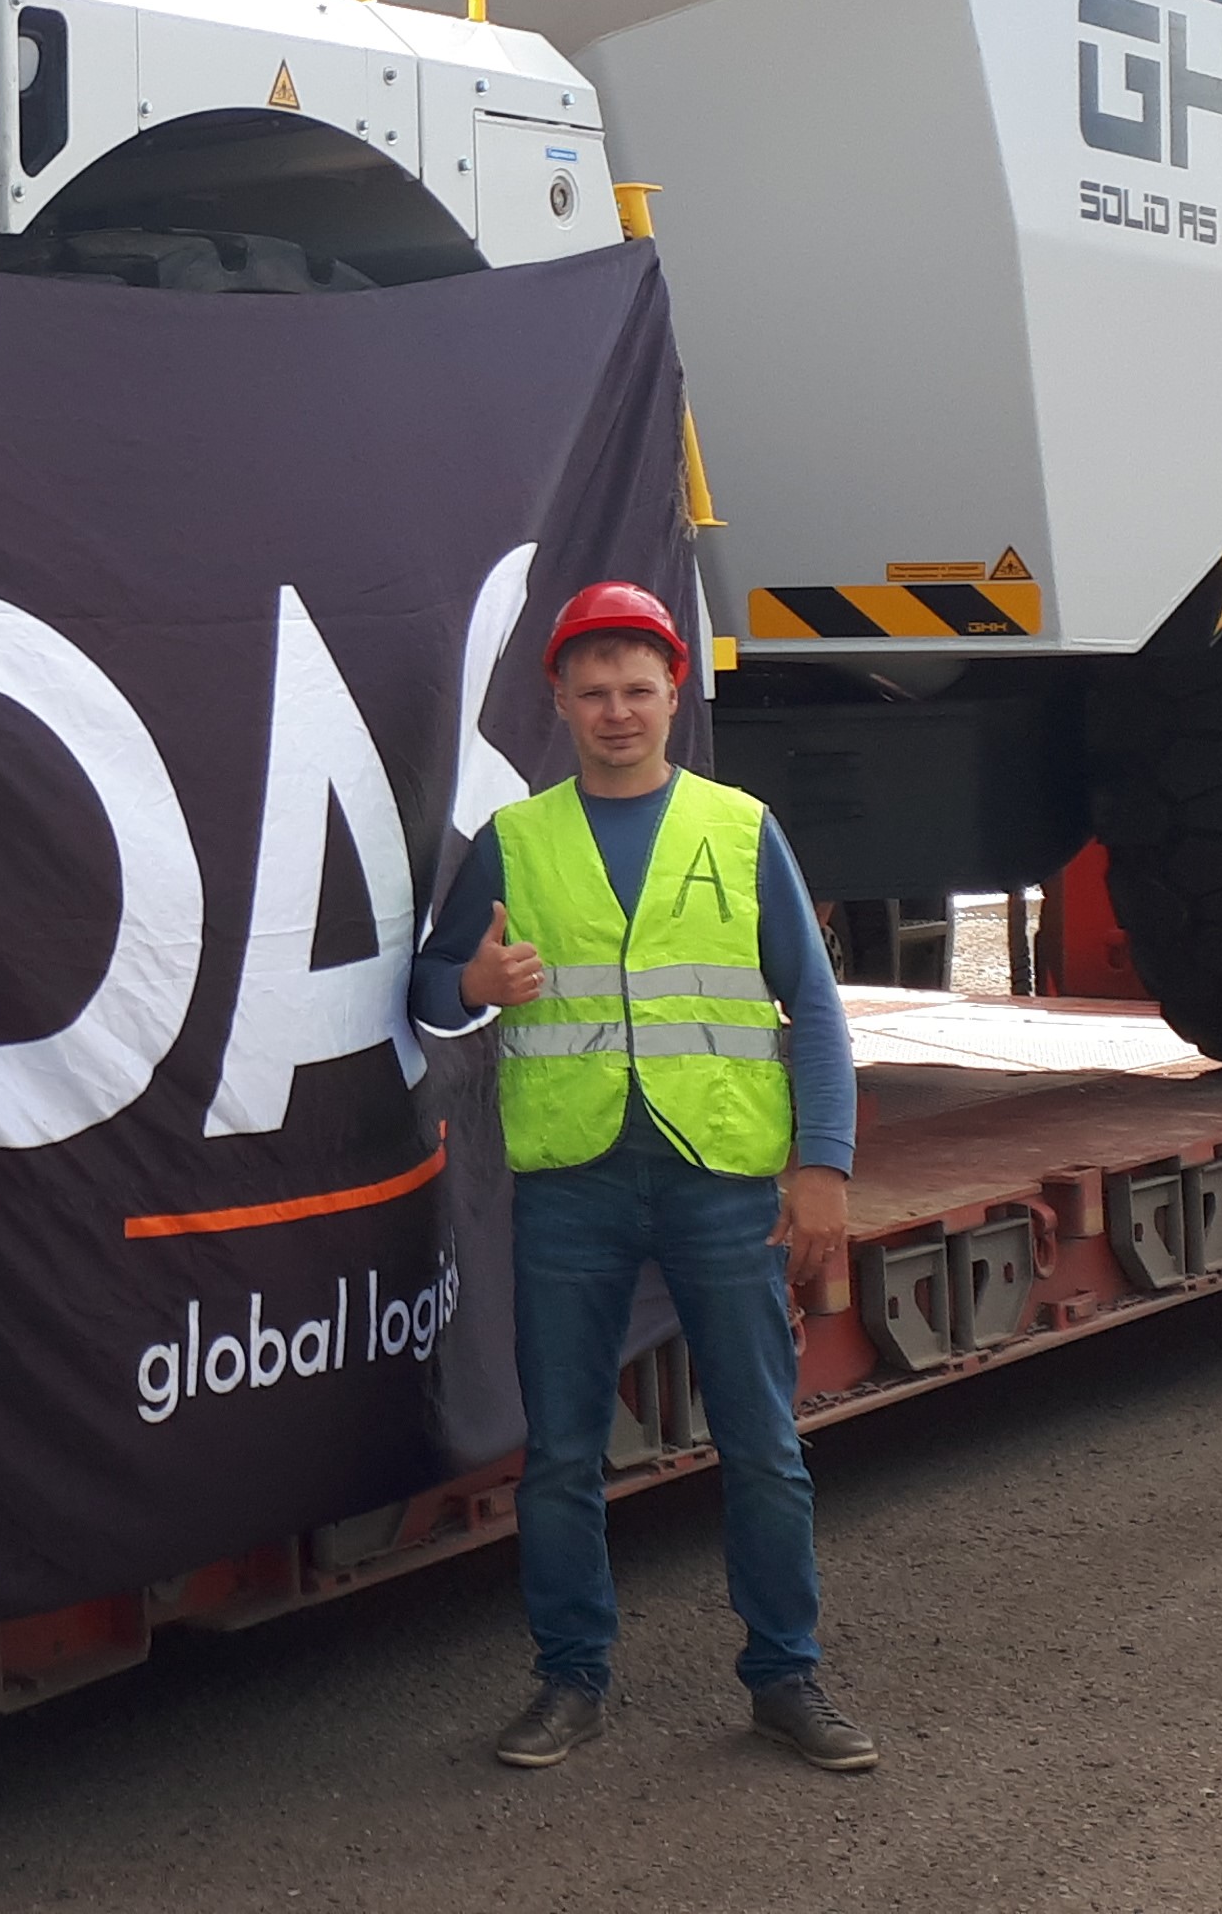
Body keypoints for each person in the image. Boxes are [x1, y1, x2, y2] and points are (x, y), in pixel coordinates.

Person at [413, 579, 876, 1775]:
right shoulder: (517, 840)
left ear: (675, 694)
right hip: (571, 1185)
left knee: (763, 1445)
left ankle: (787, 1676)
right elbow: (428, 990)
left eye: (637, 689)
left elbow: (814, 1008)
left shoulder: (740, 828)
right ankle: (570, 1680)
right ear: (559, 702)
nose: (616, 712)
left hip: (720, 1179)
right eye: (593, 693)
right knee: (563, 1453)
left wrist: (823, 1164)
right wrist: (472, 988)